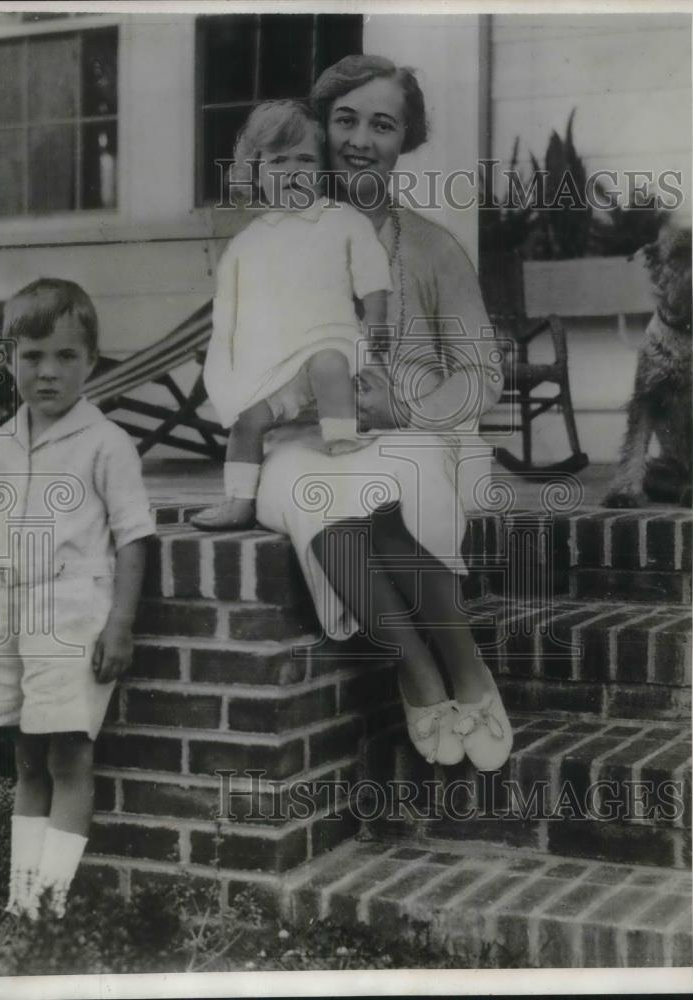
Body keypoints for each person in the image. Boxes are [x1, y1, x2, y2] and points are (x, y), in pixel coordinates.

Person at [256, 55, 513, 770]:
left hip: (415, 430)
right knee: (315, 497)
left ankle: (463, 665)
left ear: (406, 138)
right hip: (305, 437)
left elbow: (480, 376)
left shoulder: (431, 248)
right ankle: (419, 669)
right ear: (322, 129)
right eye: (345, 120)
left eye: (382, 123)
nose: (360, 139)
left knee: (396, 489)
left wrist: (399, 406)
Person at [0, 279, 155, 920]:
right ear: (10, 359)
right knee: (26, 753)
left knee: (68, 752)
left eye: (65, 357)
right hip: (15, 617)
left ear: (91, 362)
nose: (47, 373)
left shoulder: (107, 444)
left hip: (74, 616)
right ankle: (22, 902)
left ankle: (49, 906)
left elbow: (133, 539)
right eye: (32, 356)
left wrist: (120, 626)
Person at [190, 100, 392, 531]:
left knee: (328, 362)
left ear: (323, 170)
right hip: (275, 360)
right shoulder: (247, 242)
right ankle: (238, 500)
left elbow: (371, 272)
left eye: (305, 159)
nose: (293, 171)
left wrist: (375, 321)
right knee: (248, 420)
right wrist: (230, 361)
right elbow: (231, 308)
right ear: (255, 170)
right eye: (278, 160)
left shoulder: (341, 220)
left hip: (331, 341)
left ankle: (343, 447)